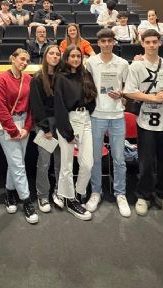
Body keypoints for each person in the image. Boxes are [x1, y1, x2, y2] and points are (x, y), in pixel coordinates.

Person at [124, 29, 163, 220]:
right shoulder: (136, 66)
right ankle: (144, 195)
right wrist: (152, 98)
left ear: (160, 42)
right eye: (148, 42)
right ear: (142, 43)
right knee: (146, 163)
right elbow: (129, 91)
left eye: (155, 42)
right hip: (145, 121)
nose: (152, 45)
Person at [83, 28, 131, 217]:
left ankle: (121, 194)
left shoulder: (123, 63)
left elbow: (129, 88)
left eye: (110, 41)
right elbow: (85, 87)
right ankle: (96, 192)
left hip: (117, 115)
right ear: (98, 43)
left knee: (119, 158)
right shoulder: (90, 63)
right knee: (95, 158)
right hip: (96, 115)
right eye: (103, 41)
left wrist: (122, 94)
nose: (106, 44)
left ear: (114, 42)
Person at [0, 49, 38, 224]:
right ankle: (26, 200)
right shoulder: (2, 79)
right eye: (22, 59)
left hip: (23, 124)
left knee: (15, 162)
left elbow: (31, 106)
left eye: (27, 60)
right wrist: (13, 131)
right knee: (18, 164)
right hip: (8, 125)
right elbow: (1, 108)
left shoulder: (29, 79)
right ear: (12, 59)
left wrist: (26, 127)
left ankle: (9, 192)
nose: (24, 63)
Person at [54, 45, 97, 221]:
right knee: (67, 165)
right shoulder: (60, 78)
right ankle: (69, 200)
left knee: (87, 163)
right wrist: (67, 133)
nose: (76, 59)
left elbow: (92, 97)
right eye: (72, 56)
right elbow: (59, 106)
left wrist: (87, 111)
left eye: (78, 56)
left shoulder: (85, 74)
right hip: (68, 120)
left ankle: (79, 193)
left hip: (85, 119)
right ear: (66, 58)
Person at [29, 44, 63, 212]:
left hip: (61, 124)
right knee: (44, 162)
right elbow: (36, 106)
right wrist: (45, 129)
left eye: (57, 54)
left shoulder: (62, 77)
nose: (55, 56)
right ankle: (42, 195)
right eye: (52, 53)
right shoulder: (37, 78)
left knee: (60, 162)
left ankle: (59, 191)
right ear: (45, 56)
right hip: (45, 124)